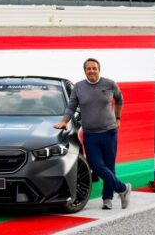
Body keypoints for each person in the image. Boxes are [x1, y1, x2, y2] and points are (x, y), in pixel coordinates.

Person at [53, 58, 131, 210]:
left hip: (109, 132)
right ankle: (123, 189)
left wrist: (118, 118)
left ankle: (107, 199)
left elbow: (119, 100)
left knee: (109, 166)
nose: (91, 71)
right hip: (90, 134)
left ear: (99, 69)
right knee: (95, 165)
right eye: (88, 69)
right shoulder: (79, 87)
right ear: (85, 71)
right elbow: (71, 107)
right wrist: (64, 121)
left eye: (94, 68)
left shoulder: (110, 84)